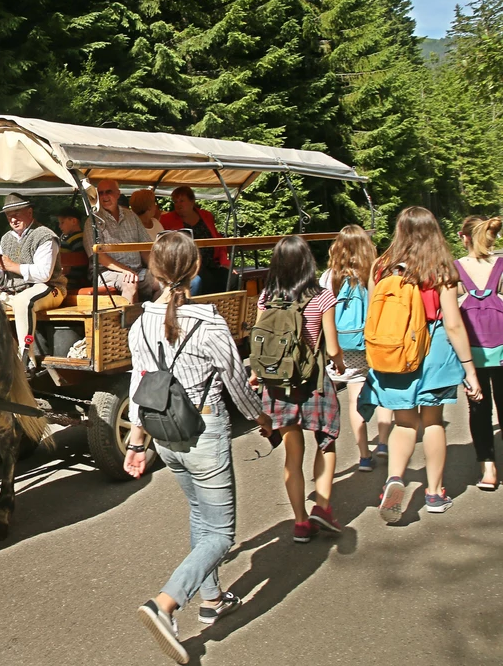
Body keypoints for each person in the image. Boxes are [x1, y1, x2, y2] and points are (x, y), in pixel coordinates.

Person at [125, 231, 271, 664]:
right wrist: (261, 417)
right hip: (204, 428)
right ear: (194, 270)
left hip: (164, 435)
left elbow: (137, 384)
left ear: (152, 271)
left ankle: (212, 597)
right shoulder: (208, 321)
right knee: (222, 531)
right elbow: (234, 381)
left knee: (199, 515)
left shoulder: (139, 323)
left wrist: (137, 441)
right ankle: (166, 603)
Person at [357, 206, 482, 522]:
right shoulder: (441, 269)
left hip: (396, 350)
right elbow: (453, 323)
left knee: (404, 422)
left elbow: (375, 314)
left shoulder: (381, 267)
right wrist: (469, 369)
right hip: (434, 350)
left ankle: (395, 479)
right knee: (433, 422)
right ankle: (435, 492)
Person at [254, 235, 346, 543]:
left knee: (293, 456)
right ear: (308, 262)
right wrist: (341, 365)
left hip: (279, 384)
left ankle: (301, 522)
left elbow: (260, 342)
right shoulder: (322, 297)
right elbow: (332, 347)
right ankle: (321, 505)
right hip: (313, 382)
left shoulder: (267, 296)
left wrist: (258, 375)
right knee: (327, 443)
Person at [319, 225, 394, 472]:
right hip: (373, 340)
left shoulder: (329, 277)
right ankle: (383, 442)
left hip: (343, 344)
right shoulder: (376, 274)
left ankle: (364, 455)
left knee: (353, 399)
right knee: (382, 389)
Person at [0, 193, 67, 364]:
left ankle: (26, 358)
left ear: (29, 212)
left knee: (23, 302)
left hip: (49, 288)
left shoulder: (45, 236)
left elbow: (44, 274)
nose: (13, 219)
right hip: (15, 290)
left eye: (17, 213)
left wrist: (12, 266)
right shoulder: (7, 239)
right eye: (9, 215)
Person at [454, 215, 503, 490]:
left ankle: (488, 468)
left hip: (471, 353)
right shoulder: (502, 267)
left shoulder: (455, 269)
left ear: (464, 237)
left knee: (479, 408)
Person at [82, 178, 155, 303]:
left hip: (136, 270)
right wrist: (125, 270)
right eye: (101, 193)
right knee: (130, 283)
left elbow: (145, 249)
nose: (104, 196)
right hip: (106, 273)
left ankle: (154, 317)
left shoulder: (131, 216)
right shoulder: (93, 221)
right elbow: (99, 257)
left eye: (108, 192)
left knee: (164, 281)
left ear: (118, 194)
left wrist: (157, 269)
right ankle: (129, 322)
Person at [159, 186, 230, 295]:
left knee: (230, 277)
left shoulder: (206, 216)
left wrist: (225, 262)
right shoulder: (166, 220)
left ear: (192, 201)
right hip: (188, 265)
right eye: (175, 202)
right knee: (206, 279)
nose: (178, 204)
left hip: (212, 263)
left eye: (182, 201)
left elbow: (218, 241)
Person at [56, 206, 89, 288]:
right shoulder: (86, 237)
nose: (60, 226)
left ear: (74, 221)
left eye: (62, 222)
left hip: (70, 281)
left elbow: (66, 268)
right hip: (81, 279)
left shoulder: (71, 241)